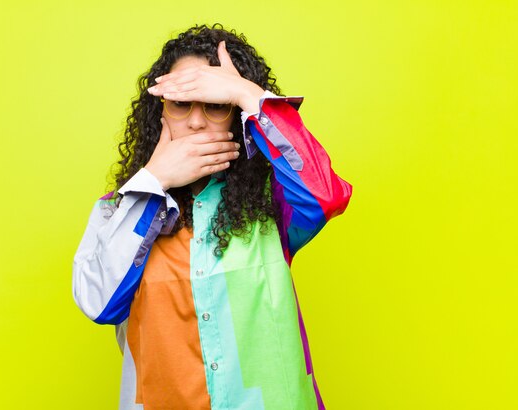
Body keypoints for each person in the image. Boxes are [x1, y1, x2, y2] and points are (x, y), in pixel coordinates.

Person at [72, 23, 352, 410]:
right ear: (159, 114)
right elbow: (100, 303)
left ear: (236, 117)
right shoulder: (117, 210)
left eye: (216, 104)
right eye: (181, 103)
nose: (197, 121)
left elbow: (324, 196)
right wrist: (155, 180)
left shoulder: (271, 200)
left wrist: (245, 92)